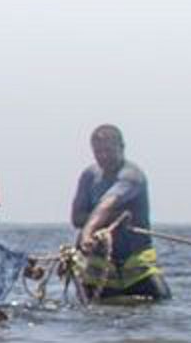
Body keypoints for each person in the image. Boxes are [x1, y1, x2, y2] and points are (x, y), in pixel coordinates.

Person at [71, 123, 170, 300]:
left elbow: (107, 204)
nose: (103, 156)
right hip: (100, 268)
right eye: (98, 152)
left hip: (137, 267)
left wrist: (87, 232)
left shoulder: (132, 176)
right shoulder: (89, 176)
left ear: (122, 148)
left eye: (108, 151)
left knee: (160, 302)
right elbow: (77, 218)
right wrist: (111, 220)